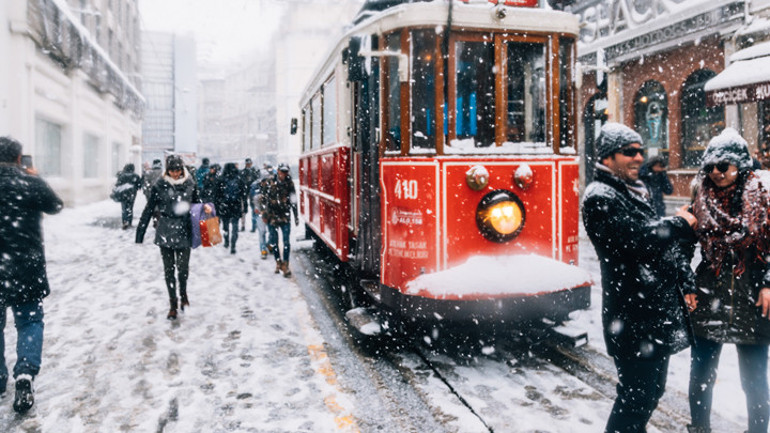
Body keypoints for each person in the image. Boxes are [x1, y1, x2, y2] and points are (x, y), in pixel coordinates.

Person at [582, 123, 697, 433]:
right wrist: (678, 223)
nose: (638, 157)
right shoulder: (599, 196)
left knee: (648, 395)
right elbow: (635, 240)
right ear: (607, 158)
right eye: (628, 152)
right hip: (632, 319)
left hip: (650, 317)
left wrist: (684, 282)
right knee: (636, 399)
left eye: (640, 151)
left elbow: (660, 249)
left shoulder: (633, 191)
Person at [686, 128, 770, 433]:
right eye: (710, 167)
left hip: (751, 296)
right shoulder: (700, 194)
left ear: (741, 164)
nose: (716, 173)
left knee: (755, 379)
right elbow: (683, 246)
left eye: (723, 166)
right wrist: (686, 283)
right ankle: (699, 428)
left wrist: (768, 281)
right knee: (702, 373)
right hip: (711, 292)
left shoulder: (763, 193)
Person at [0, 136, 63, 413]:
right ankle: (25, 374)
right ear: (18, 158)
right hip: (27, 266)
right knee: (29, 320)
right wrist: (34, 178)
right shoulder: (29, 182)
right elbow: (56, 205)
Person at [136, 155, 208, 320]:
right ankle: (173, 304)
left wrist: (205, 211)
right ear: (167, 170)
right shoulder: (160, 185)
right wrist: (140, 232)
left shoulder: (190, 185)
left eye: (177, 170)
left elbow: (197, 206)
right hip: (166, 231)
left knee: (182, 270)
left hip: (184, 231)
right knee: (169, 271)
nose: (175, 174)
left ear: (182, 170)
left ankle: (184, 296)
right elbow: (149, 209)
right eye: (172, 170)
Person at [262, 163, 299, 277]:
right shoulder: (269, 182)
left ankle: (286, 264)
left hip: (285, 216)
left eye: (286, 171)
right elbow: (263, 199)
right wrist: (264, 214)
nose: (284, 174)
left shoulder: (290, 183)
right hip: (272, 216)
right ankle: (278, 262)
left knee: (286, 242)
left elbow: (293, 201)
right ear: (278, 171)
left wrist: (296, 216)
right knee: (274, 242)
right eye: (282, 171)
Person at [215, 163, 246, 254]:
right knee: (235, 226)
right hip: (236, 205)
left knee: (226, 226)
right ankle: (233, 244)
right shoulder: (239, 179)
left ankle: (226, 241)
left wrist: (217, 208)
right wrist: (245, 206)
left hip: (225, 206)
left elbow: (216, 196)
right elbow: (243, 195)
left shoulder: (221, 179)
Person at [114, 163, 142, 229]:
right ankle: (129, 222)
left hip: (123, 194)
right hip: (132, 194)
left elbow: (117, 184)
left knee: (124, 208)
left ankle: (124, 221)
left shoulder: (122, 175)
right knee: (130, 208)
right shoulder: (135, 176)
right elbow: (139, 186)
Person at [250, 171, 271, 259]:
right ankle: (263, 249)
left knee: (272, 232)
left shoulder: (271, 186)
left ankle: (269, 244)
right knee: (262, 232)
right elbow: (253, 200)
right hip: (259, 212)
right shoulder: (255, 187)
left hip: (270, 212)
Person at [240, 158, 260, 232]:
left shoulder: (248, 172)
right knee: (245, 210)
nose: (248, 165)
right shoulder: (252, 172)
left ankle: (253, 225)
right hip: (247, 192)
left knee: (252, 209)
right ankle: (248, 225)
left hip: (250, 192)